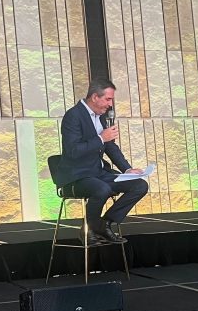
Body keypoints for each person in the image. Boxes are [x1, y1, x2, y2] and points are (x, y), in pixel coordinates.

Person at [59, 78, 149, 245]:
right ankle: (88, 229)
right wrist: (101, 138)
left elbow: (110, 147)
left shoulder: (100, 117)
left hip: (99, 173)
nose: (110, 104)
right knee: (102, 189)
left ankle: (104, 224)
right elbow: (73, 151)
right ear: (95, 97)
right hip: (78, 176)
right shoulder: (73, 116)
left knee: (139, 185)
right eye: (108, 99)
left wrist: (127, 169)